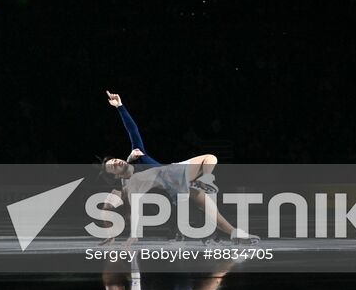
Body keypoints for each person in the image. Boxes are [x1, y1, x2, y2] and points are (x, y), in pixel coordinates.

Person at [103, 91, 257, 242]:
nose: (116, 162)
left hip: (176, 179)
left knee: (211, 209)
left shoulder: (137, 156)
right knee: (209, 158)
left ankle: (234, 233)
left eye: (115, 160)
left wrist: (120, 106)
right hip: (174, 180)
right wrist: (115, 233)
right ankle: (205, 181)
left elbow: (133, 130)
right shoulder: (128, 183)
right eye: (113, 166)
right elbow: (113, 208)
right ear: (116, 175)